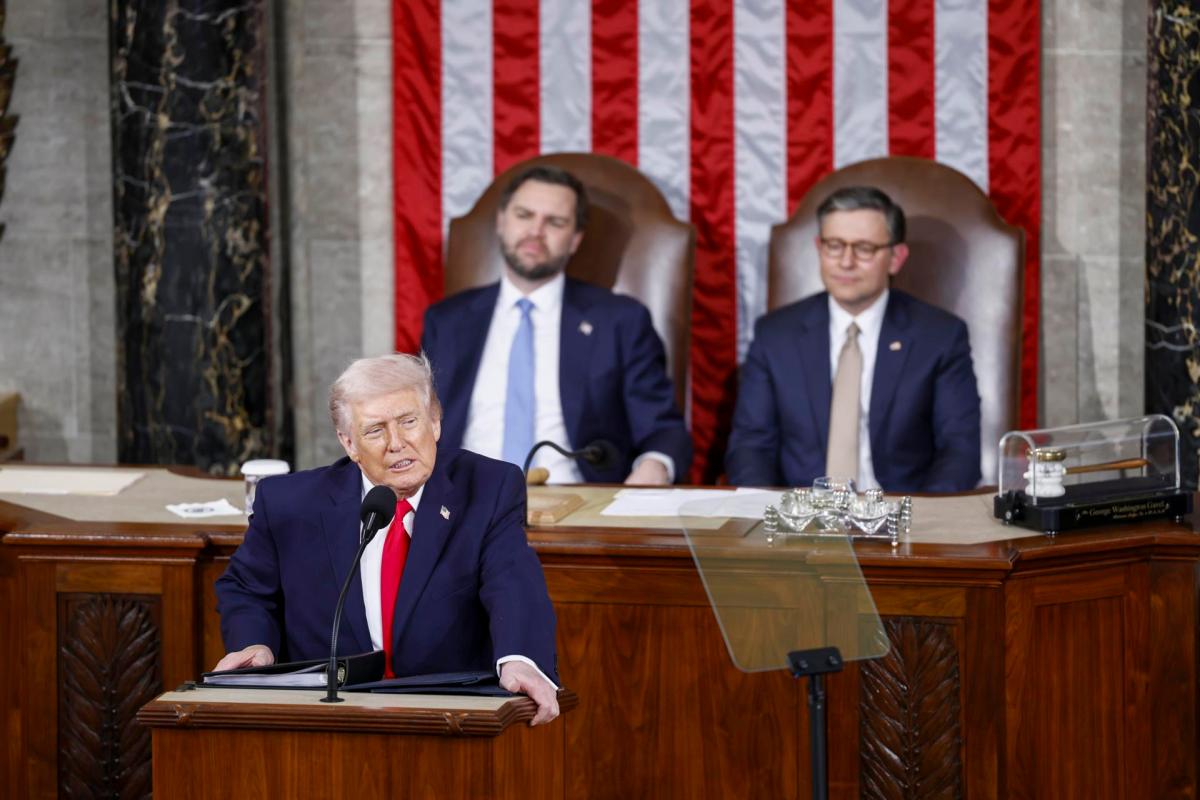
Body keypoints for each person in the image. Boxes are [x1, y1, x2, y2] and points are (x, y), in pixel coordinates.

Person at [214, 353, 560, 724]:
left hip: (448, 715)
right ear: (349, 443)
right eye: (375, 430)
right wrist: (255, 644)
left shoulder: (488, 488)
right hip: (330, 718)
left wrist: (520, 659)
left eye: (409, 422)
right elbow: (246, 587)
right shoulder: (289, 504)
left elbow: (513, 581)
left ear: (435, 422)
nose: (396, 443)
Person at [421, 165, 692, 485]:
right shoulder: (448, 321)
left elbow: (663, 430)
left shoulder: (620, 321)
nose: (536, 231)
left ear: (575, 239)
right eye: (524, 215)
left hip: (578, 509)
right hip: (462, 503)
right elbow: (419, 424)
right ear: (501, 222)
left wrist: (654, 467)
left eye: (555, 222)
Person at [726, 185, 981, 492]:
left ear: (896, 257)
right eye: (834, 245)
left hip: (902, 519)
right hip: (802, 523)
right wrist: (767, 516)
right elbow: (750, 447)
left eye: (863, 248)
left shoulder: (940, 336)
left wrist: (923, 523)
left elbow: (960, 452)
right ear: (819, 248)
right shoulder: (775, 334)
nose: (846, 262)